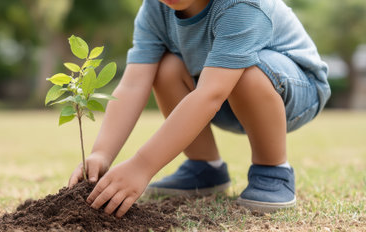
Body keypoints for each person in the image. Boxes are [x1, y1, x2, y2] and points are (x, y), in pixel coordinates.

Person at [68, 0, 331, 217]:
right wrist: (102, 153)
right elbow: (134, 84)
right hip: (223, 96)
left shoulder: (242, 5)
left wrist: (142, 166)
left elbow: (210, 94)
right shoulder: (155, 9)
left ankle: (272, 170)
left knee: (247, 72)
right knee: (165, 67)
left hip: (293, 93)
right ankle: (204, 168)